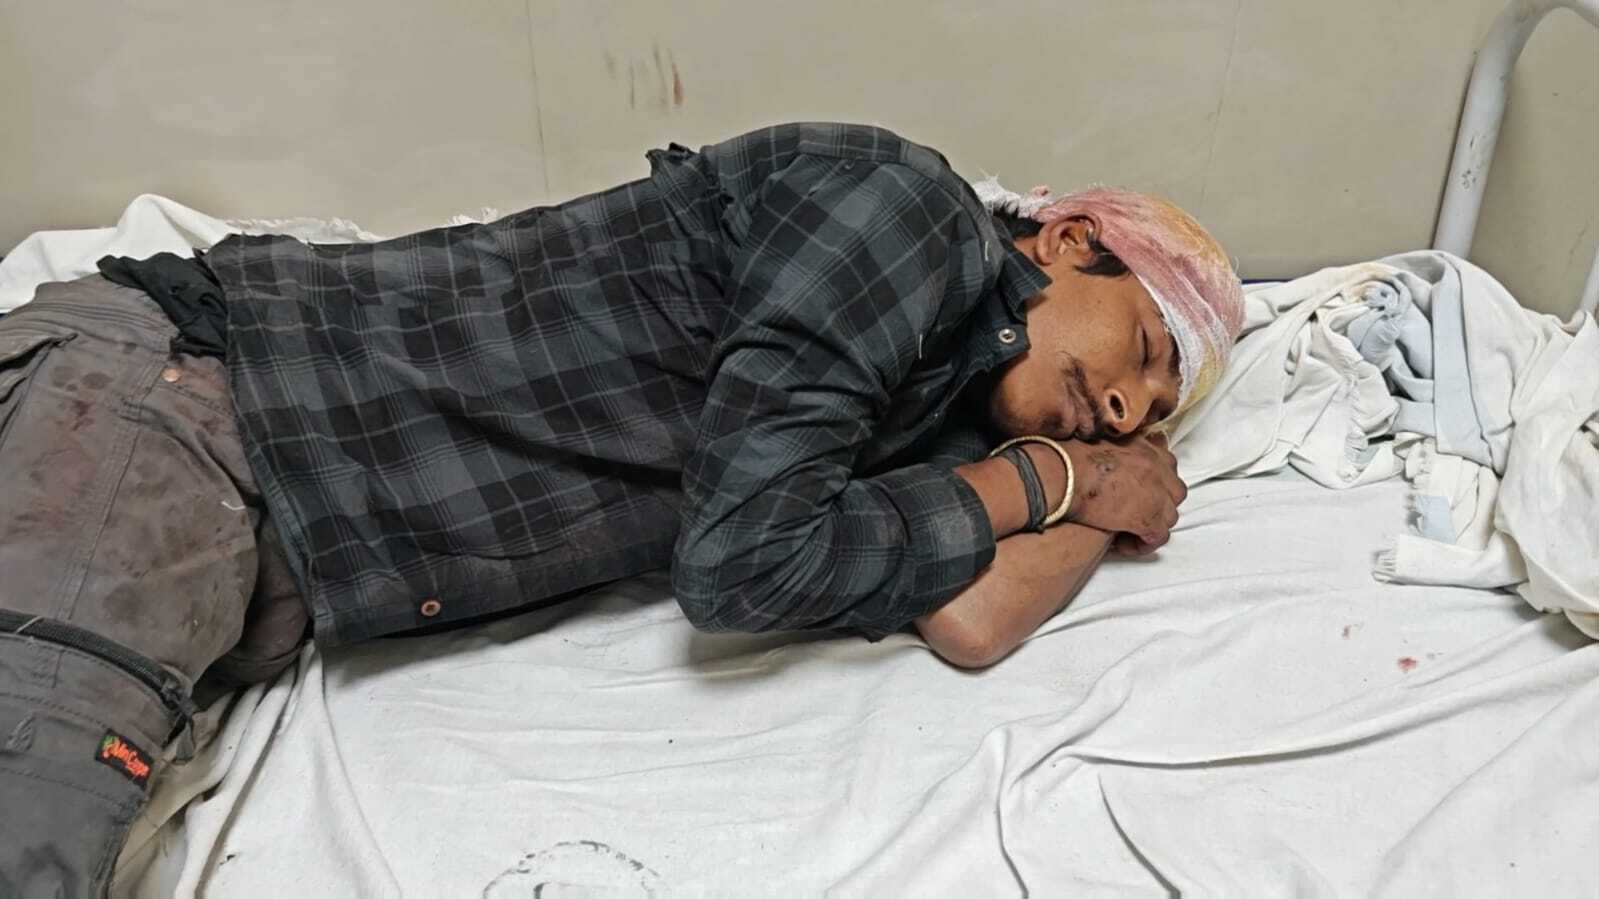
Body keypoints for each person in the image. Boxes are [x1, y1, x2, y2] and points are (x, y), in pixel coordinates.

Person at [0, 122, 1243, 895]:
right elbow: (744, 564)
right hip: (193, 407)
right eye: (1143, 349)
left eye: (1151, 412)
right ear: (1068, 239)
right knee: (34, 823)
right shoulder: (901, 218)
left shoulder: (939, 412)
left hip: (250, 521)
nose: (1123, 405)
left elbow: (972, 620)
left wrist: (1091, 495)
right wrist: (1074, 481)